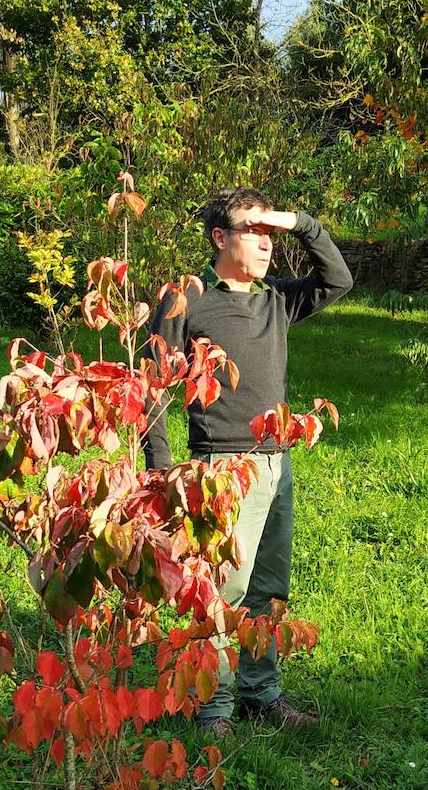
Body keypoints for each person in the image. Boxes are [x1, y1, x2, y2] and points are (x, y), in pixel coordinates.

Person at [142, 187, 353, 739]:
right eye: (251, 231)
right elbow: (153, 385)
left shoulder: (275, 300)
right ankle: (214, 708)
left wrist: (297, 222)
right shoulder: (189, 300)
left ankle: (262, 693)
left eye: (269, 234)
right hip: (220, 467)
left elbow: (338, 280)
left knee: (268, 587)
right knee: (221, 590)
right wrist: (160, 464)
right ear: (219, 237)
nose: (264, 244)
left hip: (277, 462)